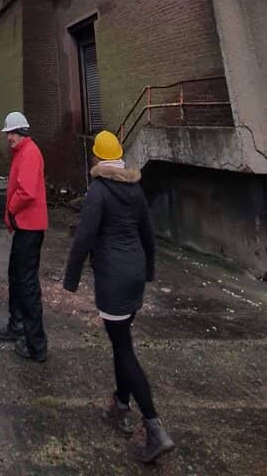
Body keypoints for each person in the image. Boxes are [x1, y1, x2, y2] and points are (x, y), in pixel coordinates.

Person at [63, 129, 175, 463]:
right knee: (121, 340)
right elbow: (148, 236)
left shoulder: (99, 190)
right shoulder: (134, 188)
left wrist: (70, 279)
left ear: (98, 157)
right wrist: (149, 271)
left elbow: (84, 237)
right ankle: (121, 405)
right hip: (134, 275)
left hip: (113, 278)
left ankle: (154, 428)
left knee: (124, 349)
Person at [0, 111, 48, 362]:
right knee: (16, 276)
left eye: (12, 133)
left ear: (22, 132)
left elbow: (26, 191)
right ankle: (16, 325)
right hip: (25, 226)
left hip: (29, 227)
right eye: (8, 133)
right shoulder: (23, 152)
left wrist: (10, 209)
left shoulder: (29, 153)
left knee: (27, 284)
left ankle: (36, 345)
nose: (9, 137)